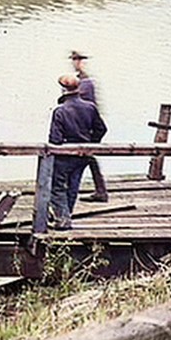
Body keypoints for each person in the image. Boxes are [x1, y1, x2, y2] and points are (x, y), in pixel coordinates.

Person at [48, 74, 108, 230]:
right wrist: (91, 145)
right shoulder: (90, 107)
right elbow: (101, 129)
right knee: (73, 186)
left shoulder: (60, 111)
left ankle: (63, 219)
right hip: (83, 155)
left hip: (64, 155)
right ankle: (65, 216)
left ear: (63, 90)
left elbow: (55, 139)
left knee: (57, 186)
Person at [70, 51, 109, 202]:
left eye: (77, 60)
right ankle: (100, 190)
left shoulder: (85, 82)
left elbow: (85, 106)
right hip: (85, 125)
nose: (74, 63)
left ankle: (100, 191)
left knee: (86, 157)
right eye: (74, 60)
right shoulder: (81, 79)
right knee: (89, 157)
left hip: (86, 127)